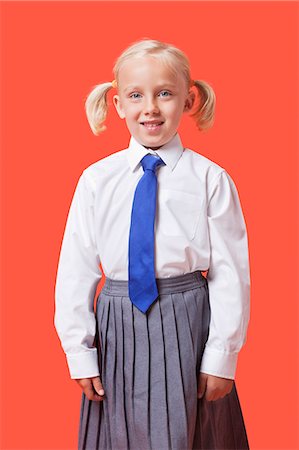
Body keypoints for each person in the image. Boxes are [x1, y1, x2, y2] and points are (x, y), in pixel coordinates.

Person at [54, 37, 251, 450]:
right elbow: (77, 269)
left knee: (192, 435)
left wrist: (221, 356)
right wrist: (80, 351)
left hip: (188, 325)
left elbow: (231, 274)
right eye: (136, 95)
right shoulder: (95, 181)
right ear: (118, 104)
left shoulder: (211, 179)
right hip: (117, 327)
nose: (151, 108)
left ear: (189, 99)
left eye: (165, 93)